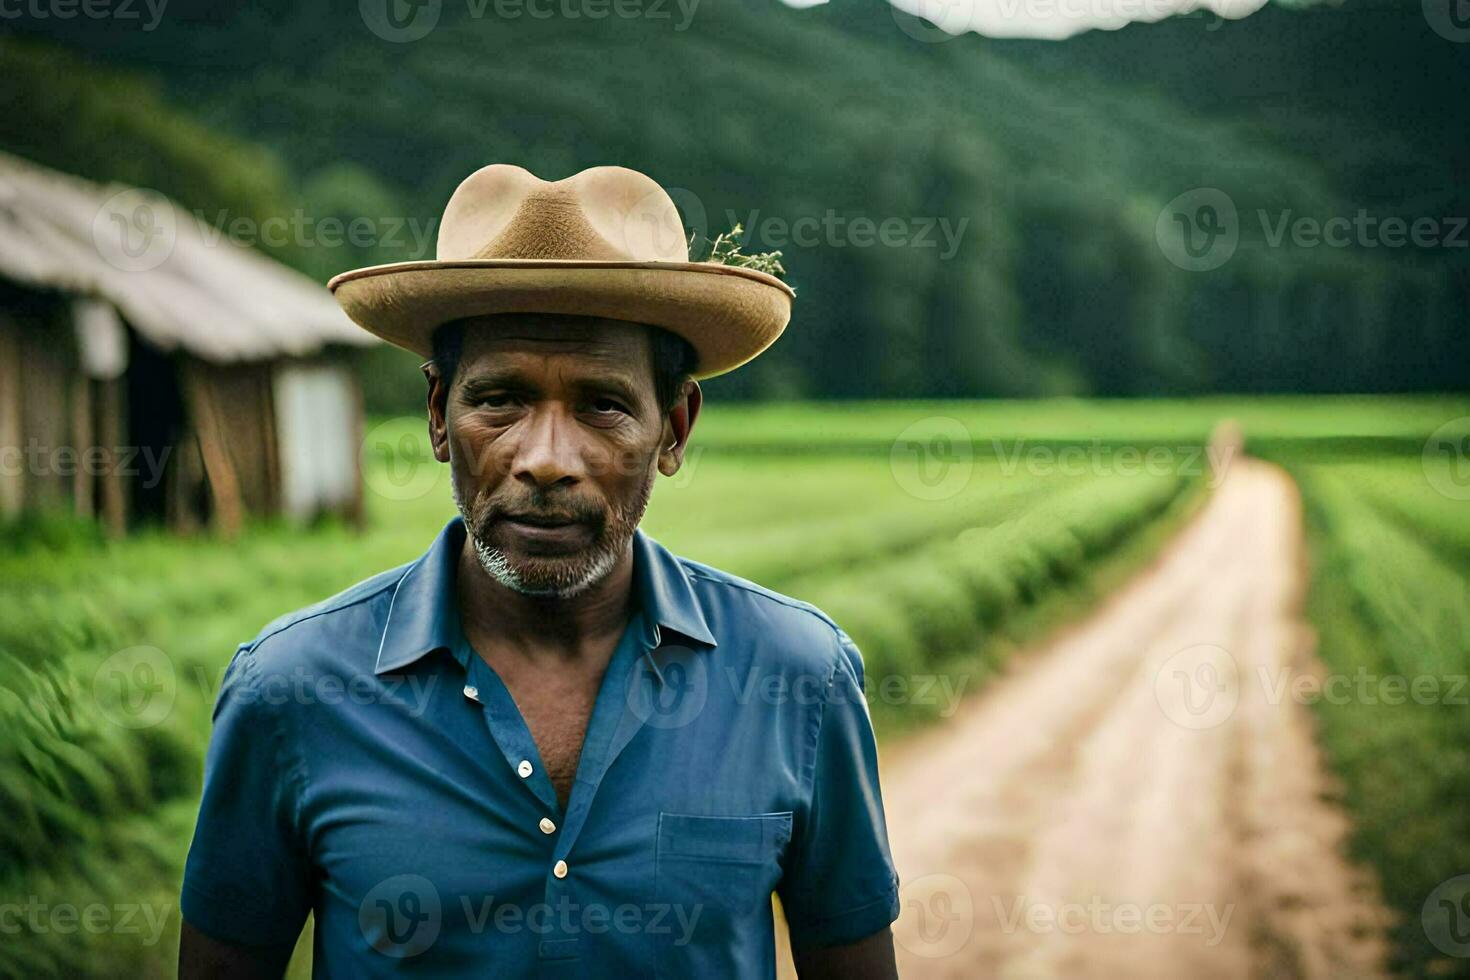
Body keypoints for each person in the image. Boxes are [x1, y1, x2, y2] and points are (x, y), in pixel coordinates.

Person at [178, 164, 900, 978]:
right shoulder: (290, 692)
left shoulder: (799, 679)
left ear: (675, 428)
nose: (546, 460)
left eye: (602, 404)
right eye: (500, 400)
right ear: (437, 415)